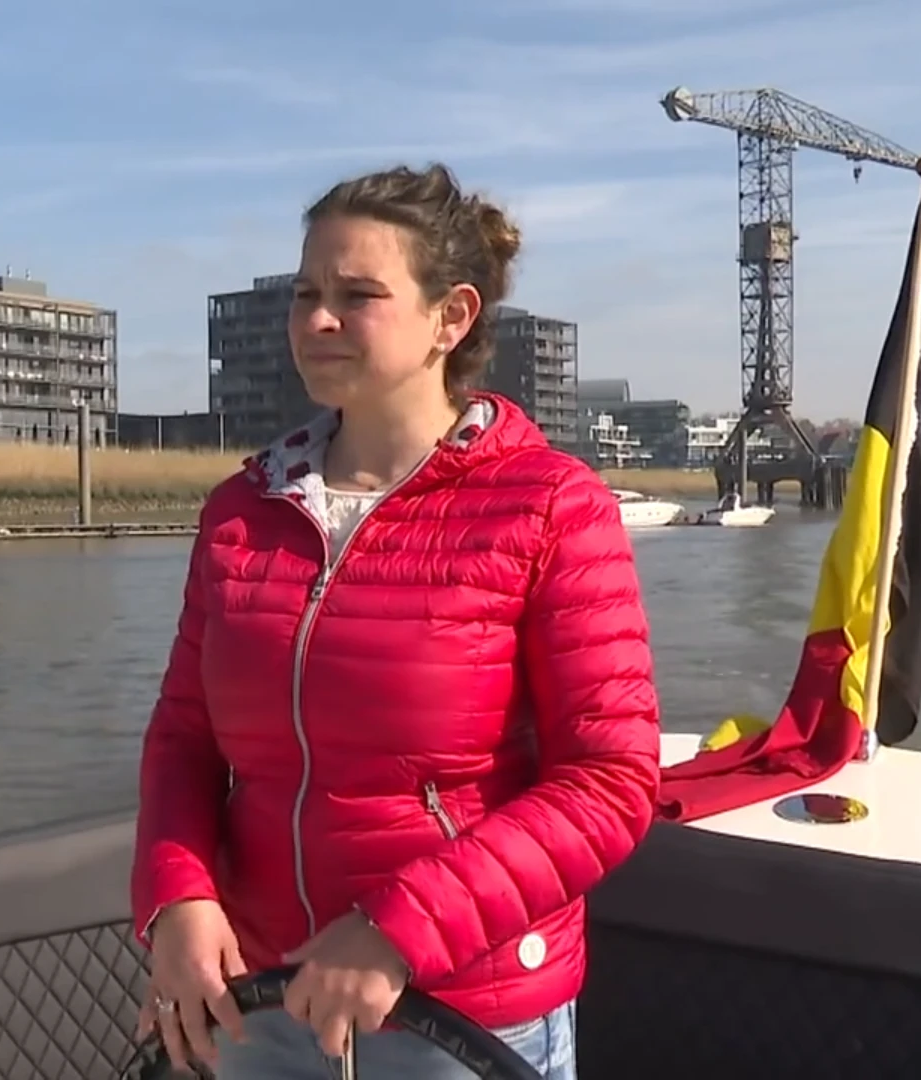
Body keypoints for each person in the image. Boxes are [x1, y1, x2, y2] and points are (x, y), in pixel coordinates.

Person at [130, 162, 662, 1079]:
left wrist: (398, 929)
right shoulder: (240, 512)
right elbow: (185, 737)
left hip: (458, 1014)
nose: (317, 319)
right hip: (260, 1000)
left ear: (449, 319)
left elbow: (610, 782)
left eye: (357, 294)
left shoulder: (549, 507)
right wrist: (177, 899)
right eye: (306, 293)